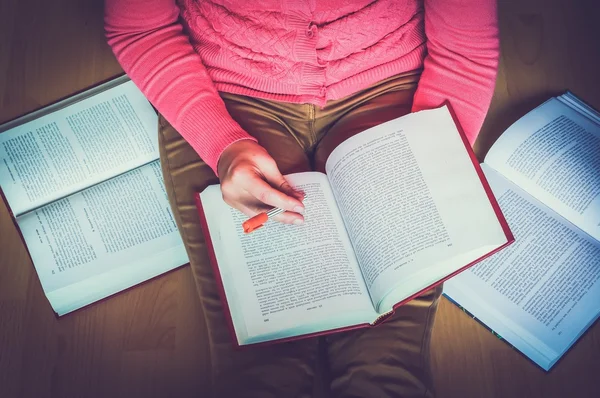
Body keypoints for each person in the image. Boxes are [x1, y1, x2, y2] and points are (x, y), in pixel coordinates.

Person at [105, 1, 499, 396]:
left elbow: (465, 50)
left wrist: (425, 157)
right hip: (226, 89)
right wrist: (222, 145)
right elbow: (141, 29)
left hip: (395, 84)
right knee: (262, 359)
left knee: (385, 357)